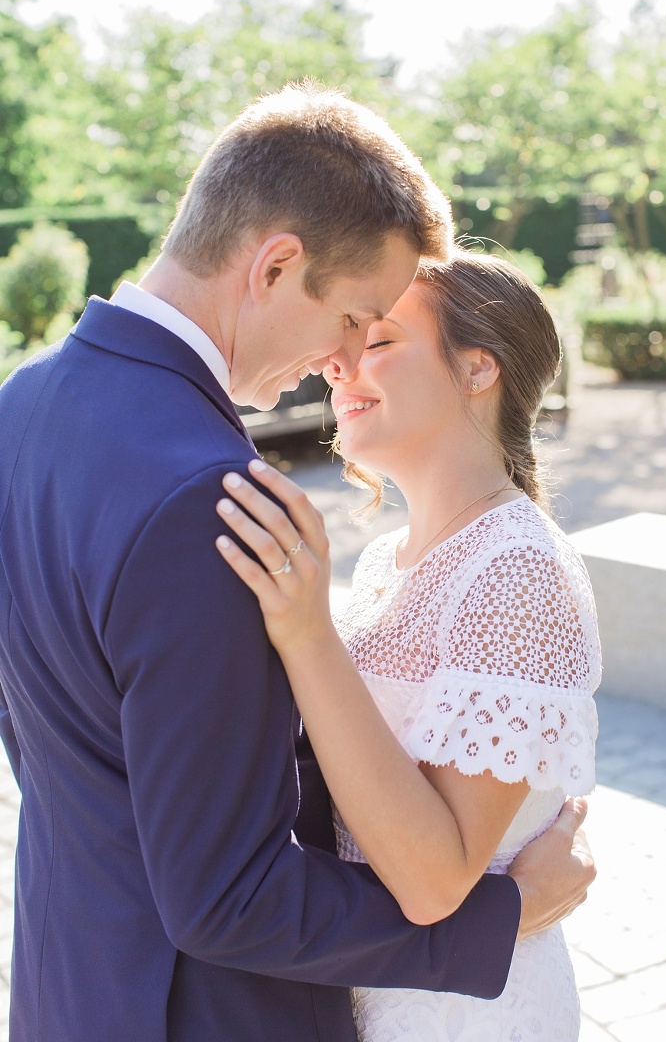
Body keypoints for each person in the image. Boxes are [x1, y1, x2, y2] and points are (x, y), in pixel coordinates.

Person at [0, 82, 594, 1042]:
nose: (337, 359)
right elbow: (228, 896)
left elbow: (58, 739)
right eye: (355, 316)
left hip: (71, 983)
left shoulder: (19, 407)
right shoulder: (206, 496)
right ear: (276, 266)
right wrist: (504, 917)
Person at [215, 250, 602, 1041]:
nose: (338, 364)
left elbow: (433, 883)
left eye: (380, 340)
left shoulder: (518, 569)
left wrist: (307, 634)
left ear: (477, 368)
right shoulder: (383, 563)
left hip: (465, 1016)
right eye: (344, 339)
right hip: (376, 992)